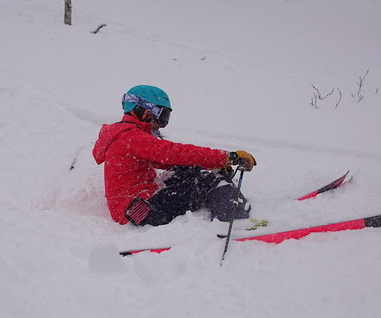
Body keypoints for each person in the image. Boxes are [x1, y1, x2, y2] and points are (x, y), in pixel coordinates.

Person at [92, 85, 257, 226]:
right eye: (161, 115)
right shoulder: (131, 137)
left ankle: (222, 199)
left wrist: (207, 163)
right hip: (141, 211)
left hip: (135, 206)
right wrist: (226, 157)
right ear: (142, 110)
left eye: (165, 117)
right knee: (208, 180)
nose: (161, 123)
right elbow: (173, 153)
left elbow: (167, 161)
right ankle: (234, 223)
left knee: (189, 169)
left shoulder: (127, 135)